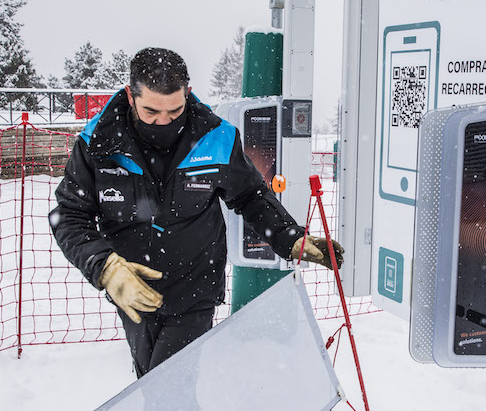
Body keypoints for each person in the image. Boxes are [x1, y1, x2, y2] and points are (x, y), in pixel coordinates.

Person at [50, 47, 342, 379]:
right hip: (132, 287)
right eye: (151, 112)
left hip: (195, 286)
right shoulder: (97, 143)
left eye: (175, 111)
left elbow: (249, 196)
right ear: (130, 96)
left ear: (187, 94)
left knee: (168, 385)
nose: (164, 122)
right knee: (152, 380)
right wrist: (105, 268)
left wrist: (291, 239)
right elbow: (70, 216)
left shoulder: (215, 137)